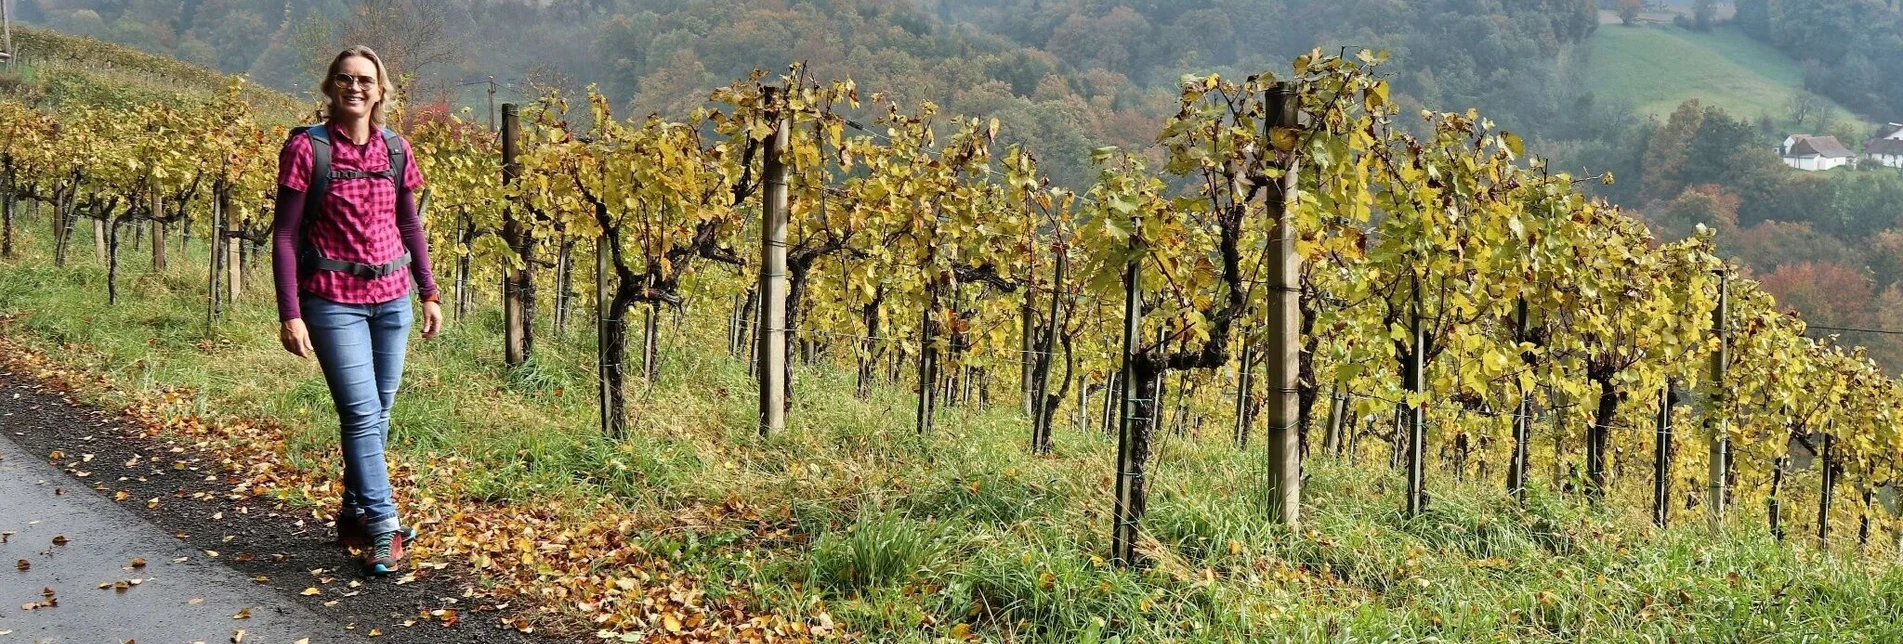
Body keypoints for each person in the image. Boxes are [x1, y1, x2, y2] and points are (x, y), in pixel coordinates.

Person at [271, 46, 443, 575]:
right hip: (331, 301)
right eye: (345, 78)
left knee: (378, 415)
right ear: (330, 86)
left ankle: (353, 513)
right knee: (362, 414)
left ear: (381, 89)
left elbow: (410, 225)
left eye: (365, 79)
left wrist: (428, 291)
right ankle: (385, 526)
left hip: (393, 299)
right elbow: (284, 234)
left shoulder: (396, 149)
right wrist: (290, 311)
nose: (355, 86)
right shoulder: (307, 148)